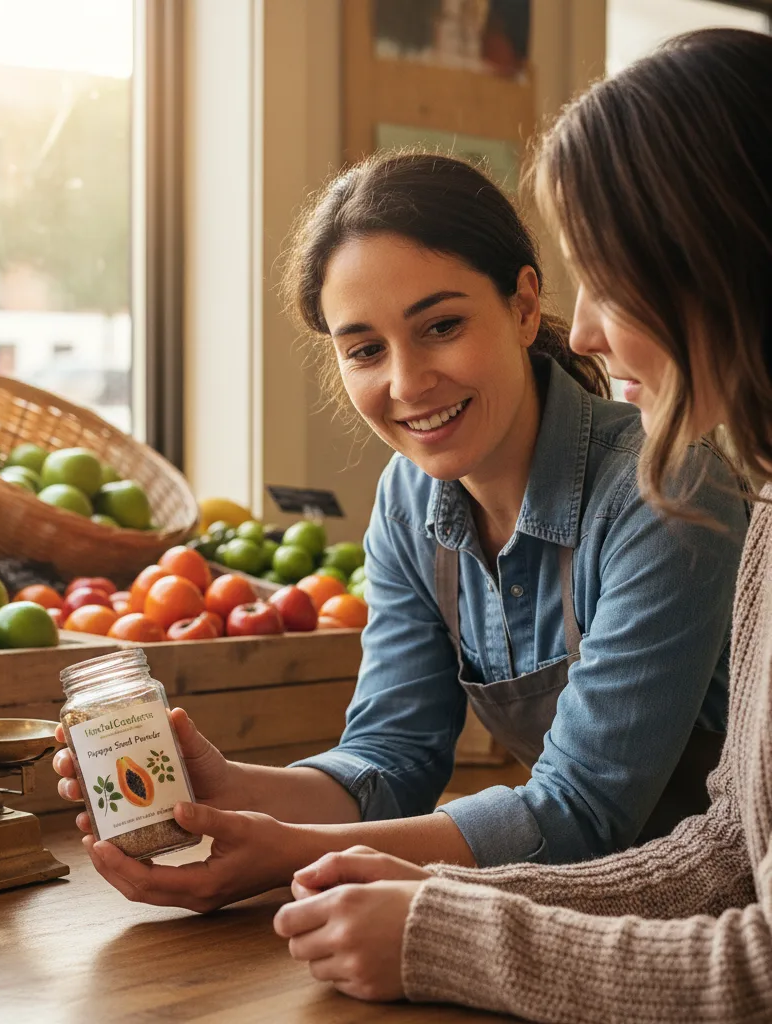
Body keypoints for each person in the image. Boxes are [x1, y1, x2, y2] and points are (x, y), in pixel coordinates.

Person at [53, 150, 747, 913]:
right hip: (554, 907)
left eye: (442, 326)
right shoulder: (409, 499)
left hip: (709, 923)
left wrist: (285, 855)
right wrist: (226, 790)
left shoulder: (664, 487)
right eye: (365, 350)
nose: (408, 383)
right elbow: (391, 761)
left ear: (522, 306)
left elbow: (581, 810)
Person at [272, 28, 772, 1019]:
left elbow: (754, 957)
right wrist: (428, 889)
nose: (581, 332)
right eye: (363, 346)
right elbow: (727, 847)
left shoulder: (680, 484)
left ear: (719, 264)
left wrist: (442, 929)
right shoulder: (766, 504)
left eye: (610, 278)